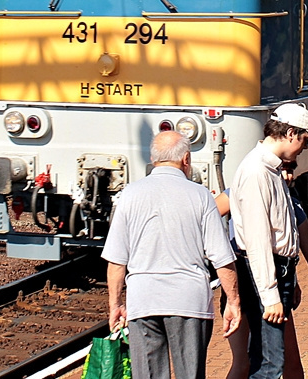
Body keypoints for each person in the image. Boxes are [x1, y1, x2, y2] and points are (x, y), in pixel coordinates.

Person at [102, 131, 241, 379]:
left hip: (143, 300)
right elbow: (222, 258)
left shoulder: (130, 195)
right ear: (186, 159)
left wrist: (116, 304)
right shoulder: (200, 196)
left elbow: (116, 260)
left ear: (153, 158)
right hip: (189, 302)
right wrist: (233, 301)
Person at [230, 102, 308, 379]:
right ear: (291, 133)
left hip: (278, 271)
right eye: (304, 141)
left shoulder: (269, 169)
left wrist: (289, 282)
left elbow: (281, 230)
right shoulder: (257, 172)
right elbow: (258, 240)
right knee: (269, 363)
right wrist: (270, 296)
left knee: (269, 358)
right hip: (266, 272)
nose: (303, 148)